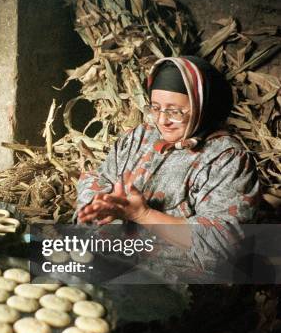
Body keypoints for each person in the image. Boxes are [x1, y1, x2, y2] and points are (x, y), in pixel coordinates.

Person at [75, 56, 260, 275]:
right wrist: (101, 204)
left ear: (203, 107)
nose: (162, 120)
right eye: (155, 108)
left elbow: (221, 245)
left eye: (175, 111)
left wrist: (142, 215)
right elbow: (101, 178)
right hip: (113, 258)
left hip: (170, 278)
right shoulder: (140, 137)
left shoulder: (227, 160)